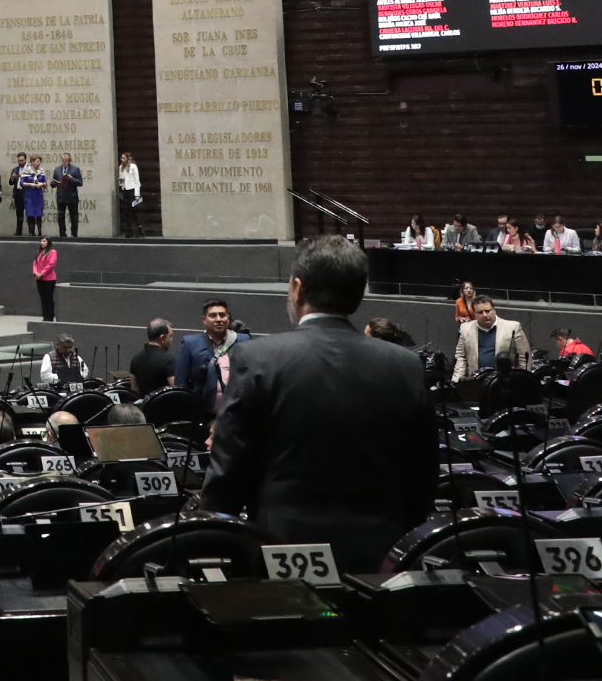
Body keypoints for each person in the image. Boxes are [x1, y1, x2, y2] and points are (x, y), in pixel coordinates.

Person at [198, 236, 436, 572]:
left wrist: (212, 550)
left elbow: (228, 475)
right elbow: (422, 476)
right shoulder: (405, 365)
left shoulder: (258, 358)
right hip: (381, 558)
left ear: (298, 289)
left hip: (283, 553)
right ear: (359, 293)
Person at [172, 299, 250, 410]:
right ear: (204, 320)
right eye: (213, 316)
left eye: (222, 315)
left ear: (228, 318)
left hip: (235, 411)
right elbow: (181, 383)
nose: (218, 319)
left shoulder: (243, 340)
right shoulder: (190, 343)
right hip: (202, 410)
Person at [451, 296, 531, 381]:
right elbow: (461, 357)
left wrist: (523, 380)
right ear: (474, 314)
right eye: (480, 312)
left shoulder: (513, 327)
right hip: (477, 381)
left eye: (487, 311)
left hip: (505, 381)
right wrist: (456, 380)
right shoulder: (465, 328)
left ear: (494, 310)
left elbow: (524, 357)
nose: (485, 315)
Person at [129, 318, 174, 393]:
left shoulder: (136, 359)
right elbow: (176, 391)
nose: (171, 339)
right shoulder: (169, 361)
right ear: (162, 338)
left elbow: (134, 389)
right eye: (170, 336)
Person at [16, 154, 49, 238]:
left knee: (39, 214)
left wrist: (42, 184)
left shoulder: (41, 171)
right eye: (37, 161)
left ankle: (40, 232)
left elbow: (45, 182)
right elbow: (22, 183)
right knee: (30, 213)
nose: (38, 163)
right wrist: (30, 184)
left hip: (38, 195)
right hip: (29, 195)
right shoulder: (26, 171)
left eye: (39, 161)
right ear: (32, 162)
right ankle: (31, 232)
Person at [51, 154, 84, 237]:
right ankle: (62, 234)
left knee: (74, 217)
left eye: (66, 161)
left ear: (70, 161)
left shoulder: (75, 169)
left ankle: (74, 234)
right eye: (63, 161)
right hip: (61, 196)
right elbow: (54, 182)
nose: (64, 163)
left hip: (72, 197)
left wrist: (71, 178)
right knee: (60, 216)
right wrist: (53, 183)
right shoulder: (57, 169)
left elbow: (80, 183)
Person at [30, 237, 58, 321]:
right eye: (41, 241)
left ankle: (50, 317)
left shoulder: (53, 252)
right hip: (39, 278)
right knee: (43, 298)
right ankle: (45, 316)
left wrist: (42, 273)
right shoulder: (39, 252)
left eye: (44, 241)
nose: (42, 243)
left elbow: (51, 264)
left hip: (49, 279)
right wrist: (35, 272)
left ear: (48, 242)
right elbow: (35, 263)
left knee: (48, 298)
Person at [116, 152, 143, 235]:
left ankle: (139, 229)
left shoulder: (133, 167)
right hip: (125, 190)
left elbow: (137, 181)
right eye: (121, 158)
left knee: (133, 211)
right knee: (126, 211)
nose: (122, 160)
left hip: (132, 190)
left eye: (124, 158)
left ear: (128, 159)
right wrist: (121, 181)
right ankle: (128, 230)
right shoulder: (121, 167)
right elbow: (120, 183)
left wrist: (137, 195)